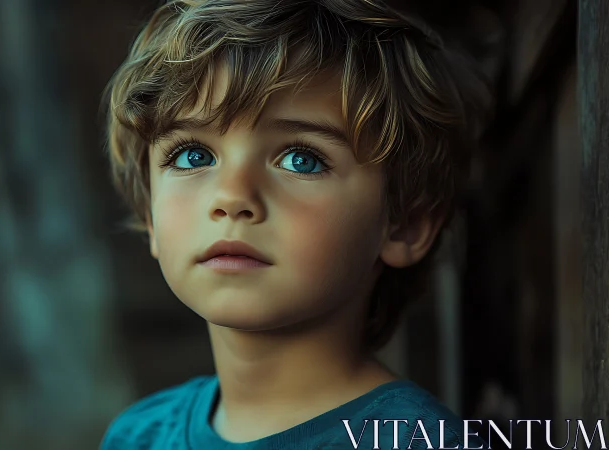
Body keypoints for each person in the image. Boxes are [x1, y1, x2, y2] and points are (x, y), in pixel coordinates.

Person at [100, 0, 491, 448]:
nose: (232, 197)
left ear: (405, 224)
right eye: (193, 155)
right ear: (150, 216)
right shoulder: (136, 437)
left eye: (300, 160)